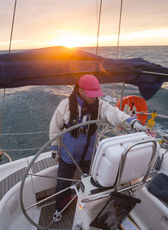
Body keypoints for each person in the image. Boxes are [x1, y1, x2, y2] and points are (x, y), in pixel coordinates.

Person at [49, 74, 154, 222]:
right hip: (68, 153)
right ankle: (60, 207)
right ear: (81, 91)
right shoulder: (64, 105)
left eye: (95, 94)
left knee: (94, 183)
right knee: (63, 183)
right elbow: (55, 129)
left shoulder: (100, 106)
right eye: (91, 94)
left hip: (89, 155)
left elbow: (115, 114)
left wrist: (134, 123)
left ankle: (87, 208)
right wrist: (55, 149)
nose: (94, 98)